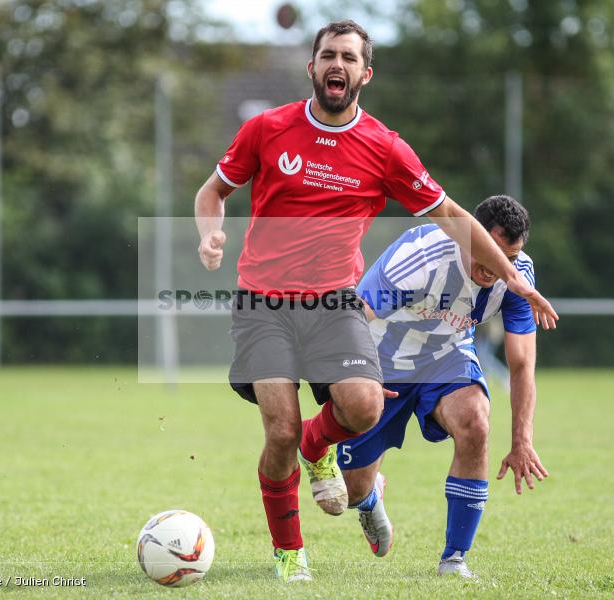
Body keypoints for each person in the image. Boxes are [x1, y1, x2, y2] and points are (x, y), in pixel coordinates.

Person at [193, 19, 558, 582]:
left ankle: (321, 450)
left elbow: (457, 217)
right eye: (327, 55)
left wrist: (513, 276)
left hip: (333, 302)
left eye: (348, 57)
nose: (337, 64)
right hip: (264, 301)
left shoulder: (386, 148)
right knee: (281, 430)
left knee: (362, 406)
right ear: (311, 67)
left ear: (366, 73)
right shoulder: (266, 129)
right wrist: (208, 233)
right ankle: (290, 555)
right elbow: (213, 191)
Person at [337, 195, 549, 579]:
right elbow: (354, 318)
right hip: (382, 361)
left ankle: (454, 559)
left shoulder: (518, 278)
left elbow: (521, 363)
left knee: (476, 422)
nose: (499, 267)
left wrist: (522, 440)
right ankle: (370, 496)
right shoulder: (420, 256)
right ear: (468, 237)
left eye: (511, 256)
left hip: (447, 356)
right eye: (491, 252)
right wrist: (357, 378)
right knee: (348, 493)